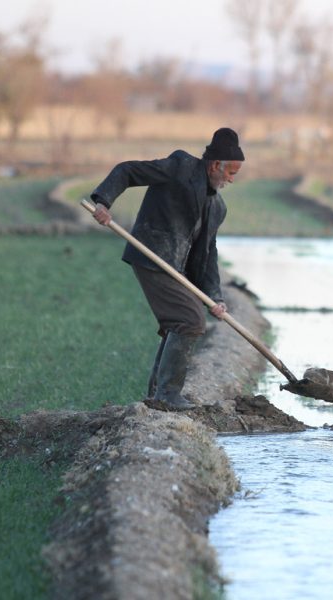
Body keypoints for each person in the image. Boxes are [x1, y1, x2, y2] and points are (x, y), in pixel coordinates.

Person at [89, 128, 244, 411]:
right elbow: (127, 171)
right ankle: (167, 395)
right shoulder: (180, 167)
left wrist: (215, 296)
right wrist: (103, 202)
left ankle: (157, 395)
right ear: (215, 165)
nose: (232, 180)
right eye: (231, 173)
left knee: (181, 321)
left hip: (177, 268)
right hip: (152, 256)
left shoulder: (217, 207)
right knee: (190, 321)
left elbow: (207, 255)